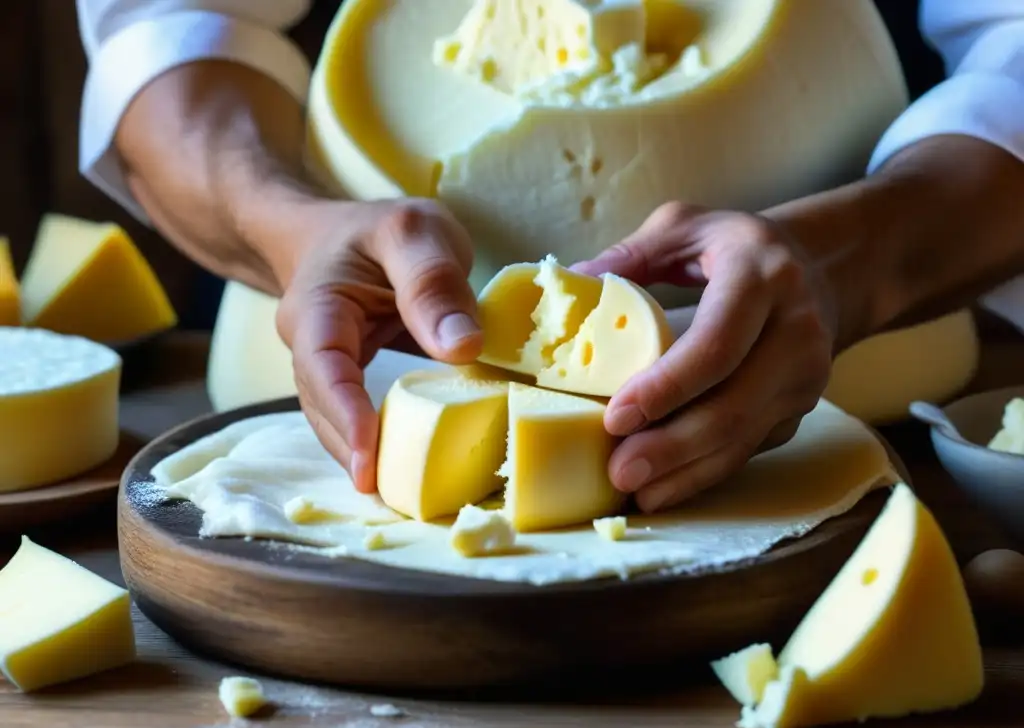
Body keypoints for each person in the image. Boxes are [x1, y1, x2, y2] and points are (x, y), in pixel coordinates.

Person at [76, 0, 1024, 513]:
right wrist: (284, 222)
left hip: (886, 424)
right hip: (311, 442)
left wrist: (855, 263)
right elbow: (166, 26)